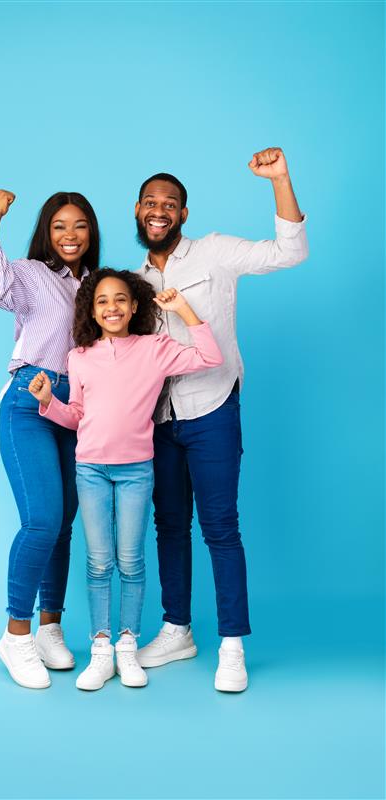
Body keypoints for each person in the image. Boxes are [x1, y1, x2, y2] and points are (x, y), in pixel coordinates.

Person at [134, 147, 309, 691]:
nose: (158, 210)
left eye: (170, 203)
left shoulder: (215, 253)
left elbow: (290, 251)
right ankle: (176, 629)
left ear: (183, 214)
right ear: (138, 210)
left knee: (220, 527)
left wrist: (279, 179)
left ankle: (232, 644)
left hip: (212, 405)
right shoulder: (133, 280)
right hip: (158, 419)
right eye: (150, 202)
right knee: (168, 527)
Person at [28, 269, 223, 690]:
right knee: (99, 563)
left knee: (131, 562)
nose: (111, 307)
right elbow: (77, 417)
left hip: (137, 470)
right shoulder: (79, 356)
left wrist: (184, 309)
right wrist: (48, 402)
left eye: (120, 299)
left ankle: (127, 648)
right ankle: (101, 651)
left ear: (135, 305)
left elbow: (210, 357)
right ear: (92, 311)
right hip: (91, 470)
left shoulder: (155, 348)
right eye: (101, 301)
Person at [0, 189, 100, 689]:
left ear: (91, 232)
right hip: (28, 400)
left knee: (62, 525)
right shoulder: (32, 273)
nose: (70, 236)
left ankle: (49, 627)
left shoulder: (96, 287)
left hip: (76, 412)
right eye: (59, 226)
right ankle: (15, 635)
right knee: (41, 520)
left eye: (79, 226)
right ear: (46, 232)